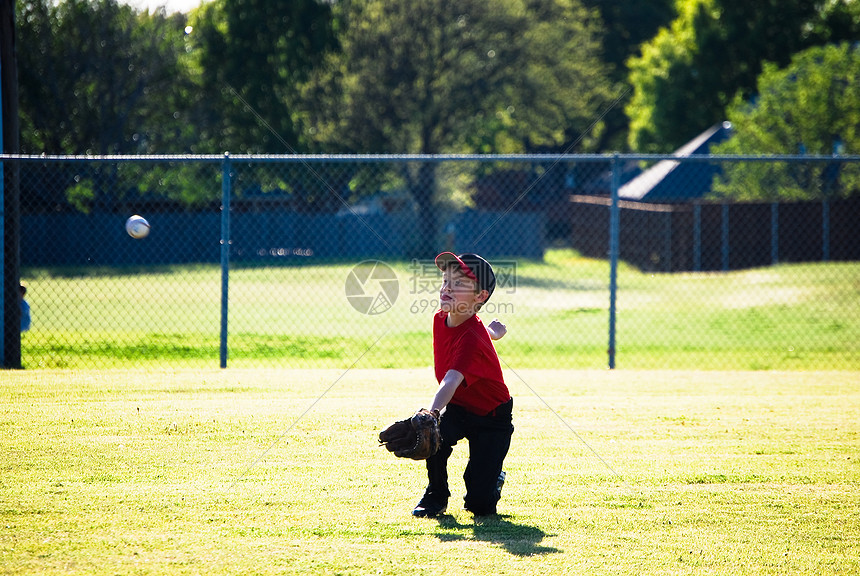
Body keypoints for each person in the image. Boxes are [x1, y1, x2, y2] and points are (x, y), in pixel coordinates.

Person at [412, 252, 514, 518]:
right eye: (445, 280)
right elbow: (476, 331)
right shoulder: (440, 318)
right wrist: (494, 334)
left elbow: (451, 379)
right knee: (436, 440)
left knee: (480, 506)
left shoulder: (473, 337)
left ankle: (493, 480)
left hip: (492, 416)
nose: (446, 287)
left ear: (480, 297)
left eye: (458, 283)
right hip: (459, 406)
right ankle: (436, 496)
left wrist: (432, 411)